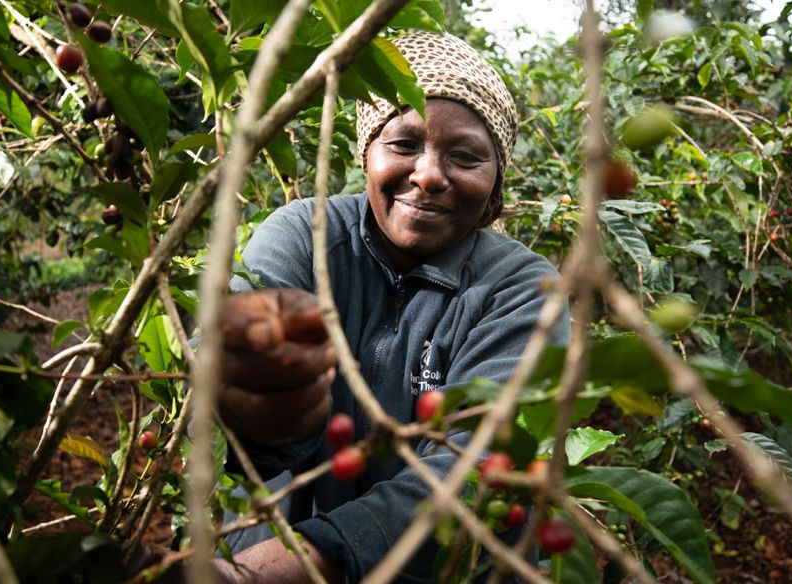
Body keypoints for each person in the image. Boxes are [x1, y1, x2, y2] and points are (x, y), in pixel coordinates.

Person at [214, 29, 570, 583]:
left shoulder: (522, 287)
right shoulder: (304, 236)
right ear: (368, 152)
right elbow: (223, 405)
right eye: (404, 144)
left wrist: (282, 571)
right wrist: (256, 395)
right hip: (262, 548)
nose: (428, 175)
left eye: (465, 156)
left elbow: (475, 468)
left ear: (495, 177)